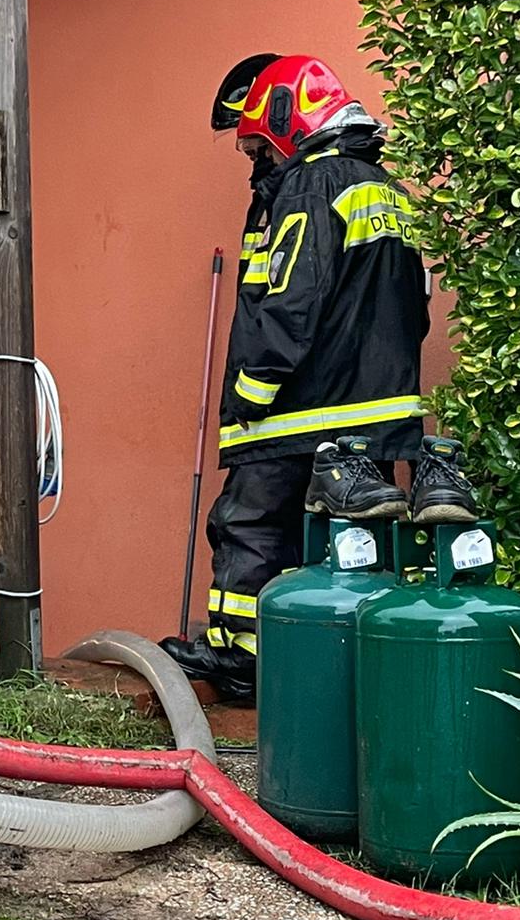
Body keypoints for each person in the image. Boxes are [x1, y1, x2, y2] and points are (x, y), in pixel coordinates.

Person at [161, 53, 474, 702]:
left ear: (286, 119)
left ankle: (240, 660)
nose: (257, 157)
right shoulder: (384, 188)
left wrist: (251, 391)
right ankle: (337, 671)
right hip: (376, 419)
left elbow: (291, 298)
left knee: (248, 524)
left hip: (298, 409)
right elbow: (412, 306)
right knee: (353, 543)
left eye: (257, 143)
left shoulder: (309, 186)